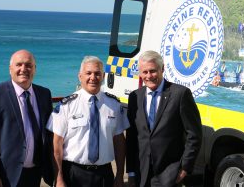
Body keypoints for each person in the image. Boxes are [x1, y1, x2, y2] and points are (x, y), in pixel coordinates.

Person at [0, 50, 54, 187]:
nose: (24, 69)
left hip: (33, 175)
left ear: (35, 69)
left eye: (28, 65)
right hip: (2, 177)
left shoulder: (44, 94)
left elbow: (49, 134)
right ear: (10, 69)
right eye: (19, 65)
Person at [47, 56, 129, 187]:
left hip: (104, 174)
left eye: (97, 73)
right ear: (80, 76)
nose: (93, 77)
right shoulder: (66, 105)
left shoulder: (114, 105)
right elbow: (56, 145)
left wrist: (119, 175)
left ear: (103, 76)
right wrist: (59, 178)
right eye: (88, 73)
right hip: (73, 174)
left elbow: (119, 142)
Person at [126, 50, 202, 187]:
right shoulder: (134, 97)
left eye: (153, 71)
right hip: (141, 173)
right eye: (144, 72)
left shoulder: (180, 94)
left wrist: (185, 167)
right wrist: (131, 172)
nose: (149, 76)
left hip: (169, 174)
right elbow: (131, 137)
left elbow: (194, 134)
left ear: (162, 69)